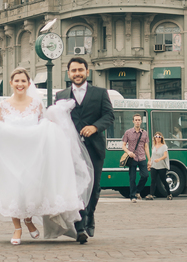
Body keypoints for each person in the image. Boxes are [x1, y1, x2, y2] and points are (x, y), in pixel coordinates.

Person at [0, 67, 94, 245]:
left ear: (28, 83)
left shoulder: (36, 104)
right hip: (11, 156)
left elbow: (42, 125)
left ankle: (28, 221)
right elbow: (2, 129)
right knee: (14, 191)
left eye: (23, 81)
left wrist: (51, 127)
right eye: (16, 81)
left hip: (33, 156)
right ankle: (17, 228)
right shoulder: (3, 105)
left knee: (29, 192)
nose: (20, 84)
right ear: (11, 83)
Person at [54, 56, 115, 243]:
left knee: (94, 187)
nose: (77, 73)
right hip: (70, 150)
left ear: (87, 72)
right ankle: (80, 226)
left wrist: (95, 127)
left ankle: (90, 215)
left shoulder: (100, 93)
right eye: (74, 70)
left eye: (80, 70)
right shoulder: (61, 96)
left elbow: (109, 116)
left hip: (94, 148)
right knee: (75, 188)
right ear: (68, 73)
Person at [121, 113, 150, 202]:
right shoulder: (128, 132)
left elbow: (146, 147)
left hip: (142, 157)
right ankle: (132, 196)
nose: (137, 122)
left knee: (145, 176)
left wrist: (149, 159)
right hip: (132, 158)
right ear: (133, 121)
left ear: (141, 121)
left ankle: (137, 191)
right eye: (136, 120)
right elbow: (123, 145)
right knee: (132, 178)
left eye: (139, 120)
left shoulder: (144, 133)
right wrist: (129, 152)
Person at [149, 133, 172, 199]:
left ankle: (169, 194)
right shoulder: (154, 146)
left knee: (163, 180)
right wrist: (150, 163)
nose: (157, 138)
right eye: (156, 136)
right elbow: (152, 156)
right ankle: (151, 194)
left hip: (161, 166)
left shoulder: (164, 146)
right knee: (153, 180)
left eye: (159, 136)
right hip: (154, 166)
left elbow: (165, 155)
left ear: (161, 138)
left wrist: (159, 159)